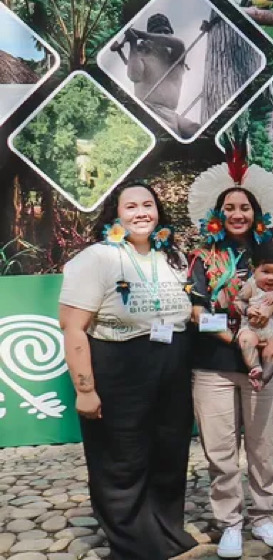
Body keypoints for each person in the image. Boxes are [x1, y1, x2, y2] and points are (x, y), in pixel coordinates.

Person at [58, 182, 196, 560]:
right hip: (120, 366)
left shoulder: (172, 256)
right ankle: (133, 544)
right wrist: (85, 389)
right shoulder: (97, 258)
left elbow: (187, 309)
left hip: (171, 364)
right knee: (122, 459)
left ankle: (166, 531)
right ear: (114, 214)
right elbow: (73, 327)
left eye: (148, 205)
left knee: (169, 455)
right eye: (131, 206)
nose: (141, 213)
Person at [185, 153, 273, 557]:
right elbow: (197, 311)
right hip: (214, 367)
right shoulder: (202, 258)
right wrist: (234, 339)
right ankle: (230, 522)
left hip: (271, 366)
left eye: (244, 207)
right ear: (217, 214)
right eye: (229, 207)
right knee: (220, 450)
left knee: (264, 448)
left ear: (256, 211)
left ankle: (264, 517)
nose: (237, 213)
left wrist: (272, 308)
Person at [115, 13, 203, 137]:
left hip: (172, 114)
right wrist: (133, 44)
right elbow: (134, 76)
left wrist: (140, 34)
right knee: (171, 132)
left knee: (196, 129)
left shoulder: (176, 56)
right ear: (150, 38)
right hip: (149, 109)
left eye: (166, 32)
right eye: (158, 32)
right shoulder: (142, 54)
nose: (162, 34)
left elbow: (179, 44)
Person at [233, 243, 273, 389]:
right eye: (266, 272)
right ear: (254, 270)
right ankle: (255, 368)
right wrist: (247, 310)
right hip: (251, 327)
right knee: (246, 341)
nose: (271, 278)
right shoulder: (251, 286)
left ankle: (264, 379)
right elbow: (237, 301)